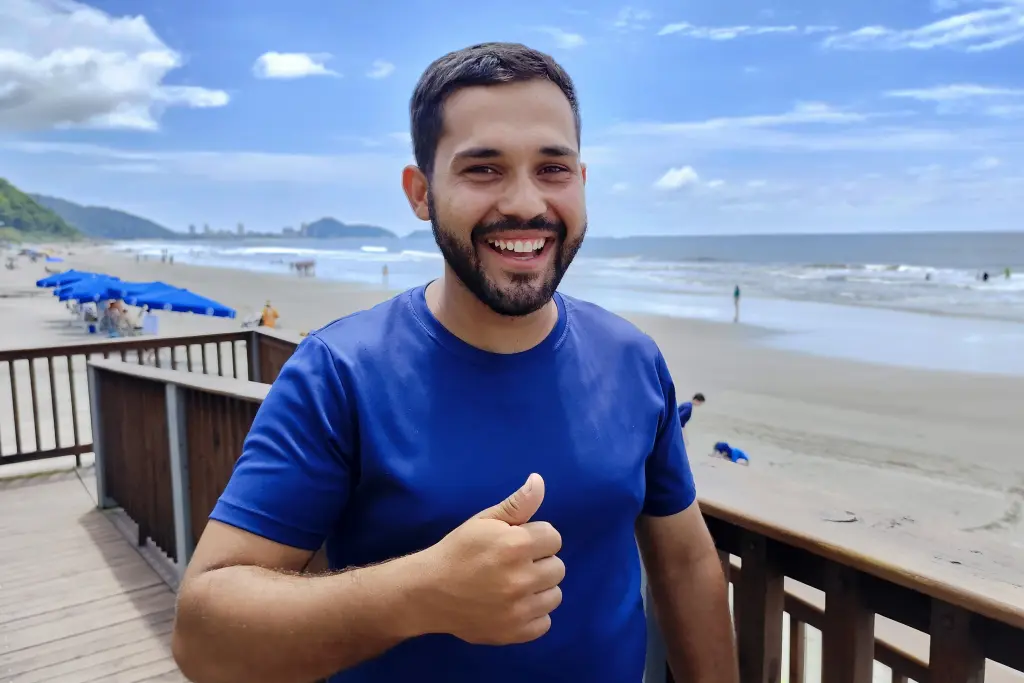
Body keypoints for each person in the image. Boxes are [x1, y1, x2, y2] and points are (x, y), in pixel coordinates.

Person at [171, 42, 738, 683]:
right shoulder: (339, 373)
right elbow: (202, 636)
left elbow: (686, 563)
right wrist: (421, 593)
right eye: (484, 170)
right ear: (421, 192)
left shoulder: (632, 359)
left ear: (582, 183)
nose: (526, 203)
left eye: (552, 169)